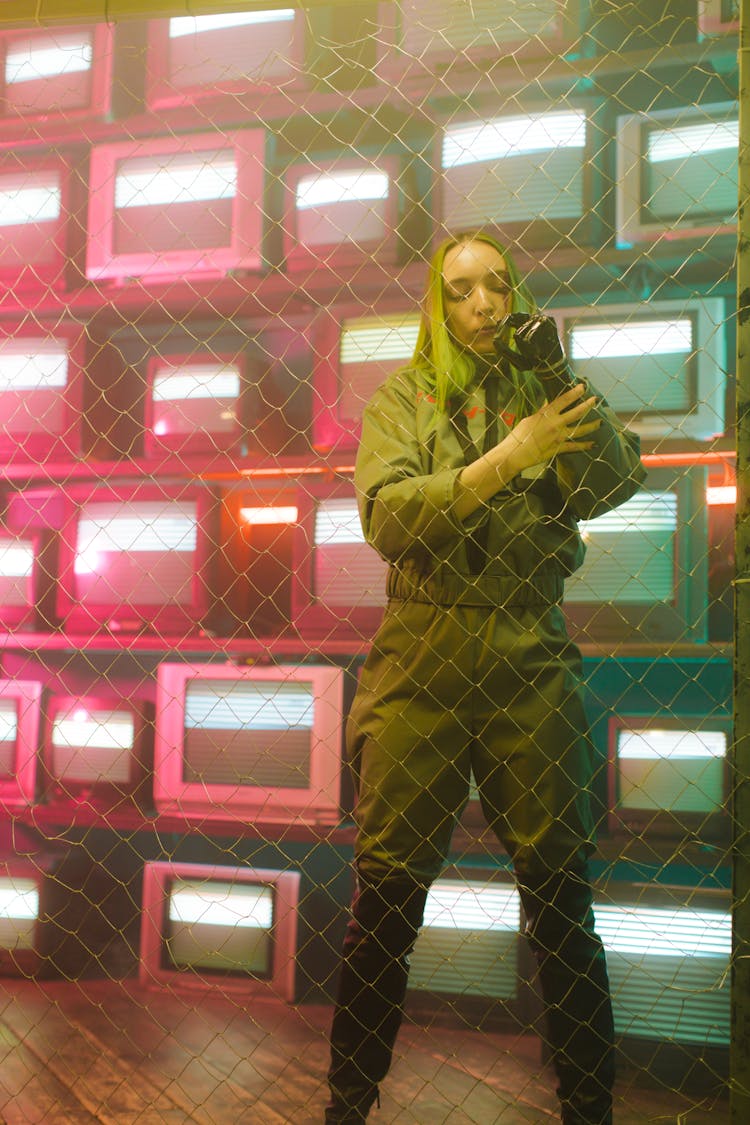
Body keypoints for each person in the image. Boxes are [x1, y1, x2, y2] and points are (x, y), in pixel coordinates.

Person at [324, 232, 647, 1124]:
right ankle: (347, 1103)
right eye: (461, 288)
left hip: (524, 650)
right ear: (437, 300)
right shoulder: (404, 398)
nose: (482, 304)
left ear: (515, 294)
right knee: (387, 897)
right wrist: (508, 458)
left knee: (560, 900)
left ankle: (590, 1104)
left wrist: (563, 379)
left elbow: (619, 479)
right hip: (421, 654)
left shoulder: (541, 389)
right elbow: (387, 516)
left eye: (497, 286)